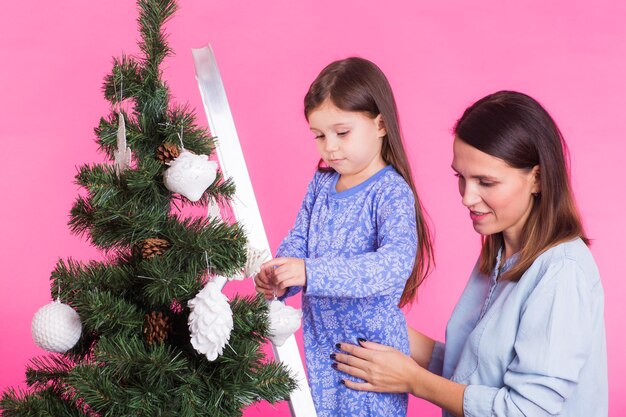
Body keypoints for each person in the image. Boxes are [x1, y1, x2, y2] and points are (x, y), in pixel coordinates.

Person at [332, 90, 608, 417]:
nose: (467, 197)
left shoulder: (561, 272)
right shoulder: (500, 252)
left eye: (486, 182)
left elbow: (528, 410)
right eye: (460, 177)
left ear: (537, 178)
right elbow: (477, 371)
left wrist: (413, 380)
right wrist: (386, 327)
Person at [254, 57, 434, 417]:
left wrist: (311, 273)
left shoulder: (390, 192)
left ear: (380, 124)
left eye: (342, 132)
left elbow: (392, 266)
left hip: (371, 356)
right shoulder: (321, 184)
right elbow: (299, 239)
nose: (330, 148)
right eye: (319, 136)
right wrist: (281, 274)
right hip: (323, 348)